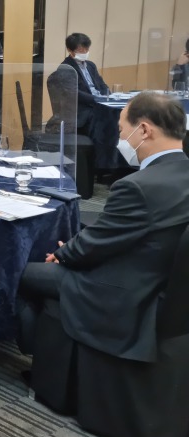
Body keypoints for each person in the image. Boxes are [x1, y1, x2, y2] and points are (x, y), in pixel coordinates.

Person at [16, 92, 189, 362]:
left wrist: (63, 254)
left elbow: (95, 245)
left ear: (144, 130)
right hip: (165, 285)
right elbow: (120, 231)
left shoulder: (137, 187)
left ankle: (45, 365)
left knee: (22, 272)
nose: (119, 139)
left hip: (125, 291)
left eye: (121, 130)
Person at [60, 33, 109, 133]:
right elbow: (74, 93)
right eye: (80, 50)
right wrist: (97, 99)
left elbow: (102, 84)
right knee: (105, 122)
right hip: (84, 109)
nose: (85, 52)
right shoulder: (65, 67)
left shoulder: (91, 65)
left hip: (100, 103)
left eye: (86, 49)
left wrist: (108, 96)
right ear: (70, 50)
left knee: (120, 113)